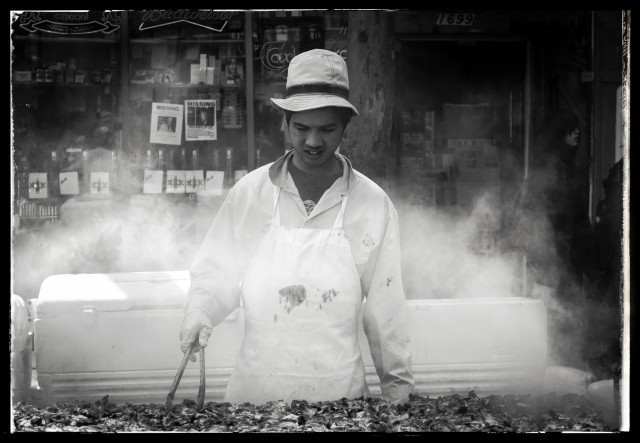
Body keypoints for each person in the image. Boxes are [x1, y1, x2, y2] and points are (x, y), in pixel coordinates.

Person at [179, 48, 415, 405]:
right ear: (285, 122)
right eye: (301, 128)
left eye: (327, 129)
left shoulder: (372, 204)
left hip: (340, 404)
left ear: (345, 126)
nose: (313, 142)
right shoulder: (251, 194)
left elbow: (386, 309)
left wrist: (397, 391)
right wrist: (201, 311)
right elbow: (218, 274)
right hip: (253, 402)